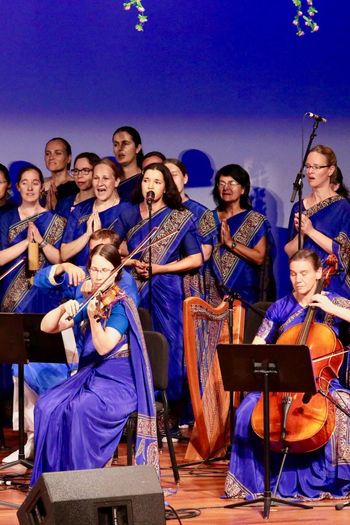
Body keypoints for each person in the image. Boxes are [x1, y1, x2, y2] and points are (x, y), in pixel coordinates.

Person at [225, 249, 350, 500]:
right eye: (293, 274)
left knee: (345, 408)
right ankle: (254, 483)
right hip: (281, 382)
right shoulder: (280, 307)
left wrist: (332, 308)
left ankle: (334, 481)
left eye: (304, 273)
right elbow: (259, 344)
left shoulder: (334, 302)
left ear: (318, 273)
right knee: (245, 412)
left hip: (320, 383)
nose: (298, 280)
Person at [31, 244, 158, 486]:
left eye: (105, 270)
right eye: (94, 270)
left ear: (117, 272)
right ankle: (55, 483)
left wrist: (92, 318)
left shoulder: (121, 304)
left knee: (80, 408)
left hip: (119, 382)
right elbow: (46, 327)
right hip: (92, 374)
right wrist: (61, 309)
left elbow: (103, 347)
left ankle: (84, 484)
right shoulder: (92, 299)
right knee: (47, 406)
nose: (98, 276)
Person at [115, 163, 203, 409]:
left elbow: (196, 258)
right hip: (134, 287)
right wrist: (132, 261)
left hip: (166, 289)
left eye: (156, 181)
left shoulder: (179, 217)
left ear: (165, 187)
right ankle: (136, 405)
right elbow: (109, 249)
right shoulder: (129, 213)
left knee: (169, 343)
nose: (150, 186)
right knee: (135, 342)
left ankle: (169, 407)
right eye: (146, 181)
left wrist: (160, 268)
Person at [0, 165, 67, 462]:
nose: (29, 187)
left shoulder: (55, 220)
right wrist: (23, 246)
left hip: (42, 298)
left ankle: (42, 433)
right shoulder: (4, 219)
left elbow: (59, 258)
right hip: (11, 299)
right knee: (12, 367)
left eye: (35, 182)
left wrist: (39, 242)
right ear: (17, 187)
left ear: (42, 186)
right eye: (24, 183)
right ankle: (21, 435)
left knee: (41, 363)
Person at [285, 145, 350, 297]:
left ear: (330, 170)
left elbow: (344, 252)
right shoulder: (299, 207)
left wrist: (311, 231)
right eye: (308, 166)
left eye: (316, 167)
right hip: (303, 283)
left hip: (332, 283)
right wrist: (301, 233)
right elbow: (289, 251)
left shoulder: (343, 207)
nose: (310, 172)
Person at [210, 164, 275, 305]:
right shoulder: (208, 218)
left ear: (243, 189)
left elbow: (259, 257)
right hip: (212, 293)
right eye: (221, 183)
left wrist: (230, 243)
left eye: (232, 183)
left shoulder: (255, 220)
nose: (226, 187)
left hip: (244, 293)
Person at [164, 158, 216, 298]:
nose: (170, 181)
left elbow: (205, 252)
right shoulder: (157, 212)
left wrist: (170, 260)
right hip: (160, 281)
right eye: (165, 177)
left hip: (190, 281)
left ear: (185, 178)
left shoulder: (201, 212)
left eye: (173, 175)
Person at [61, 159, 124, 266]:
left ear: (117, 181)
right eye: (96, 178)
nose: (100, 183)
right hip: (80, 277)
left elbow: (131, 251)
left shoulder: (127, 210)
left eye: (106, 178)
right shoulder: (80, 209)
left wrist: (100, 236)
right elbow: (64, 254)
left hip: (111, 277)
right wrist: (87, 235)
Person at [55, 152, 100, 218]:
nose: (79, 175)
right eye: (76, 171)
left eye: (85, 170)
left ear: (96, 172)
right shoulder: (64, 203)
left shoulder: (100, 205)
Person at [43, 137, 78, 210]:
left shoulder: (77, 186)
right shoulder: (39, 185)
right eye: (47, 153)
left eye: (58, 153)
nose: (51, 157)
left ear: (69, 158)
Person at [112, 126, 143, 201]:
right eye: (116, 144)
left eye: (125, 143)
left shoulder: (144, 180)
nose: (120, 148)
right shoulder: (110, 179)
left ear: (138, 148)